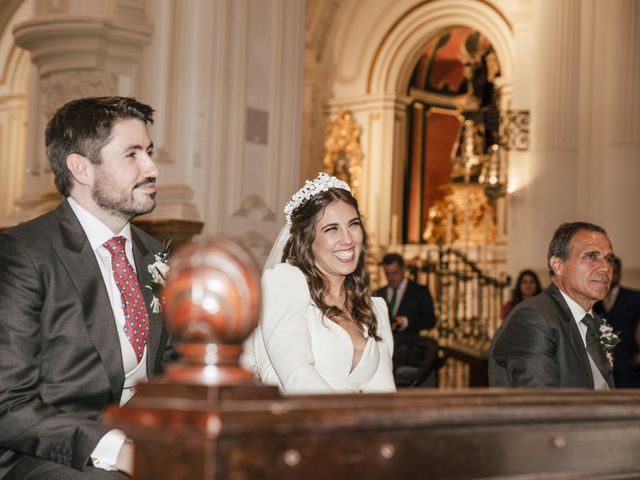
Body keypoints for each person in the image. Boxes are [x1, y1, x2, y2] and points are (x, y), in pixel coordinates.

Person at [0, 97, 175, 479]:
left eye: (149, 151)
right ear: (81, 168)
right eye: (132, 155)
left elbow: (173, 367)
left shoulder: (153, 253)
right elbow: (8, 403)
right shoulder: (24, 256)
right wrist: (117, 450)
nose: (152, 168)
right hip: (49, 453)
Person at [252, 172, 395, 393]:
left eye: (353, 224)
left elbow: (383, 394)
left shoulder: (374, 310)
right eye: (332, 229)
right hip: (299, 421)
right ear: (307, 240)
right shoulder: (284, 283)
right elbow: (296, 377)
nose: (348, 239)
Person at [489, 221, 616, 389]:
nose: (605, 267)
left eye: (609, 259)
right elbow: (543, 405)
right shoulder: (532, 319)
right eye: (591, 256)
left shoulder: (592, 321)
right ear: (558, 265)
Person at [594, 257, 640, 388]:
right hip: (599, 363)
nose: (609, 276)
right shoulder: (592, 299)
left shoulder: (635, 298)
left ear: (619, 274)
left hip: (627, 362)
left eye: (613, 271)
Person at [374, 253, 436, 336]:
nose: (391, 278)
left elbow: (430, 321)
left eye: (395, 273)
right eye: (388, 274)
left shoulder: (420, 291)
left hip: (409, 345)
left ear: (403, 269)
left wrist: (406, 322)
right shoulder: (378, 293)